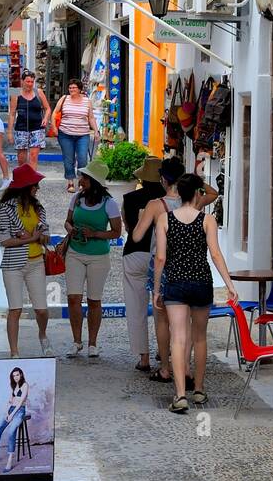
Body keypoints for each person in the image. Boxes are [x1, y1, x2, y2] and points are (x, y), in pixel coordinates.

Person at [152, 171, 237, 414]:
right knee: (199, 337)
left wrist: (157, 289)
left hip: (176, 283)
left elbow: (160, 258)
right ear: (198, 194)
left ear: (178, 193)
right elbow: (216, 254)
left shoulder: (165, 219)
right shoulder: (207, 220)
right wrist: (230, 285)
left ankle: (179, 395)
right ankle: (199, 389)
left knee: (178, 337)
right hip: (201, 282)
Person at [64, 157, 122, 359]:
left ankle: (93, 343)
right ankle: (76, 341)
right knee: (73, 298)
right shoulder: (77, 199)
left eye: (85, 178)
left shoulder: (109, 204)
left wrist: (94, 234)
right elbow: (67, 222)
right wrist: (71, 229)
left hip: (99, 256)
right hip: (75, 253)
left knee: (94, 300)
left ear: (94, 182)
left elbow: (116, 232)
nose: (81, 181)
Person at [0, 164, 53, 357]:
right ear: (26, 187)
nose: (38, 188)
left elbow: (45, 235)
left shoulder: (39, 208)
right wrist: (31, 238)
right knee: (15, 309)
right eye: (35, 185)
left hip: (36, 262)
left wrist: (36, 236)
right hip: (13, 264)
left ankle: (43, 335)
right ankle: (14, 351)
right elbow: (4, 240)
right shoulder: (5, 208)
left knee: (42, 309)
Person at [122, 155, 167, 373]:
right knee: (161, 307)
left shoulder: (129, 198)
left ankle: (144, 357)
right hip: (159, 254)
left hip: (133, 254)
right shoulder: (168, 200)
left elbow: (129, 227)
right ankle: (163, 350)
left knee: (136, 308)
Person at [53, 78, 98, 192]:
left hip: (83, 134)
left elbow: (91, 117)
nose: (71, 90)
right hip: (65, 133)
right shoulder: (64, 99)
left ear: (79, 89)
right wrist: (54, 127)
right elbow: (55, 113)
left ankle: (82, 181)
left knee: (83, 158)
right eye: (70, 88)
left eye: (74, 88)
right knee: (69, 159)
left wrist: (96, 130)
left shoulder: (87, 101)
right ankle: (70, 182)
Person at [0, 366, 29, 474]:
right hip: (11, 410)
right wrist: (6, 412)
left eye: (17, 375)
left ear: (21, 375)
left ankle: (10, 459)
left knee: (11, 431)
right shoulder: (13, 386)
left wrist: (12, 415)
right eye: (14, 375)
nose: (15, 377)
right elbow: (10, 401)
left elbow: (20, 403)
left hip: (19, 411)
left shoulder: (25, 385)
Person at [9, 69, 51, 168]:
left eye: (32, 82)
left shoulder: (38, 92)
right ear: (22, 81)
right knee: (22, 158)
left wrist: (45, 118)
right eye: (28, 81)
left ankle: (33, 182)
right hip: (21, 129)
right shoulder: (16, 95)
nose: (30, 84)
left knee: (33, 156)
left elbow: (47, 108)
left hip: (37, 128)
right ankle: (23, 180)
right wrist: (10, 132)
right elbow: (12, 114)